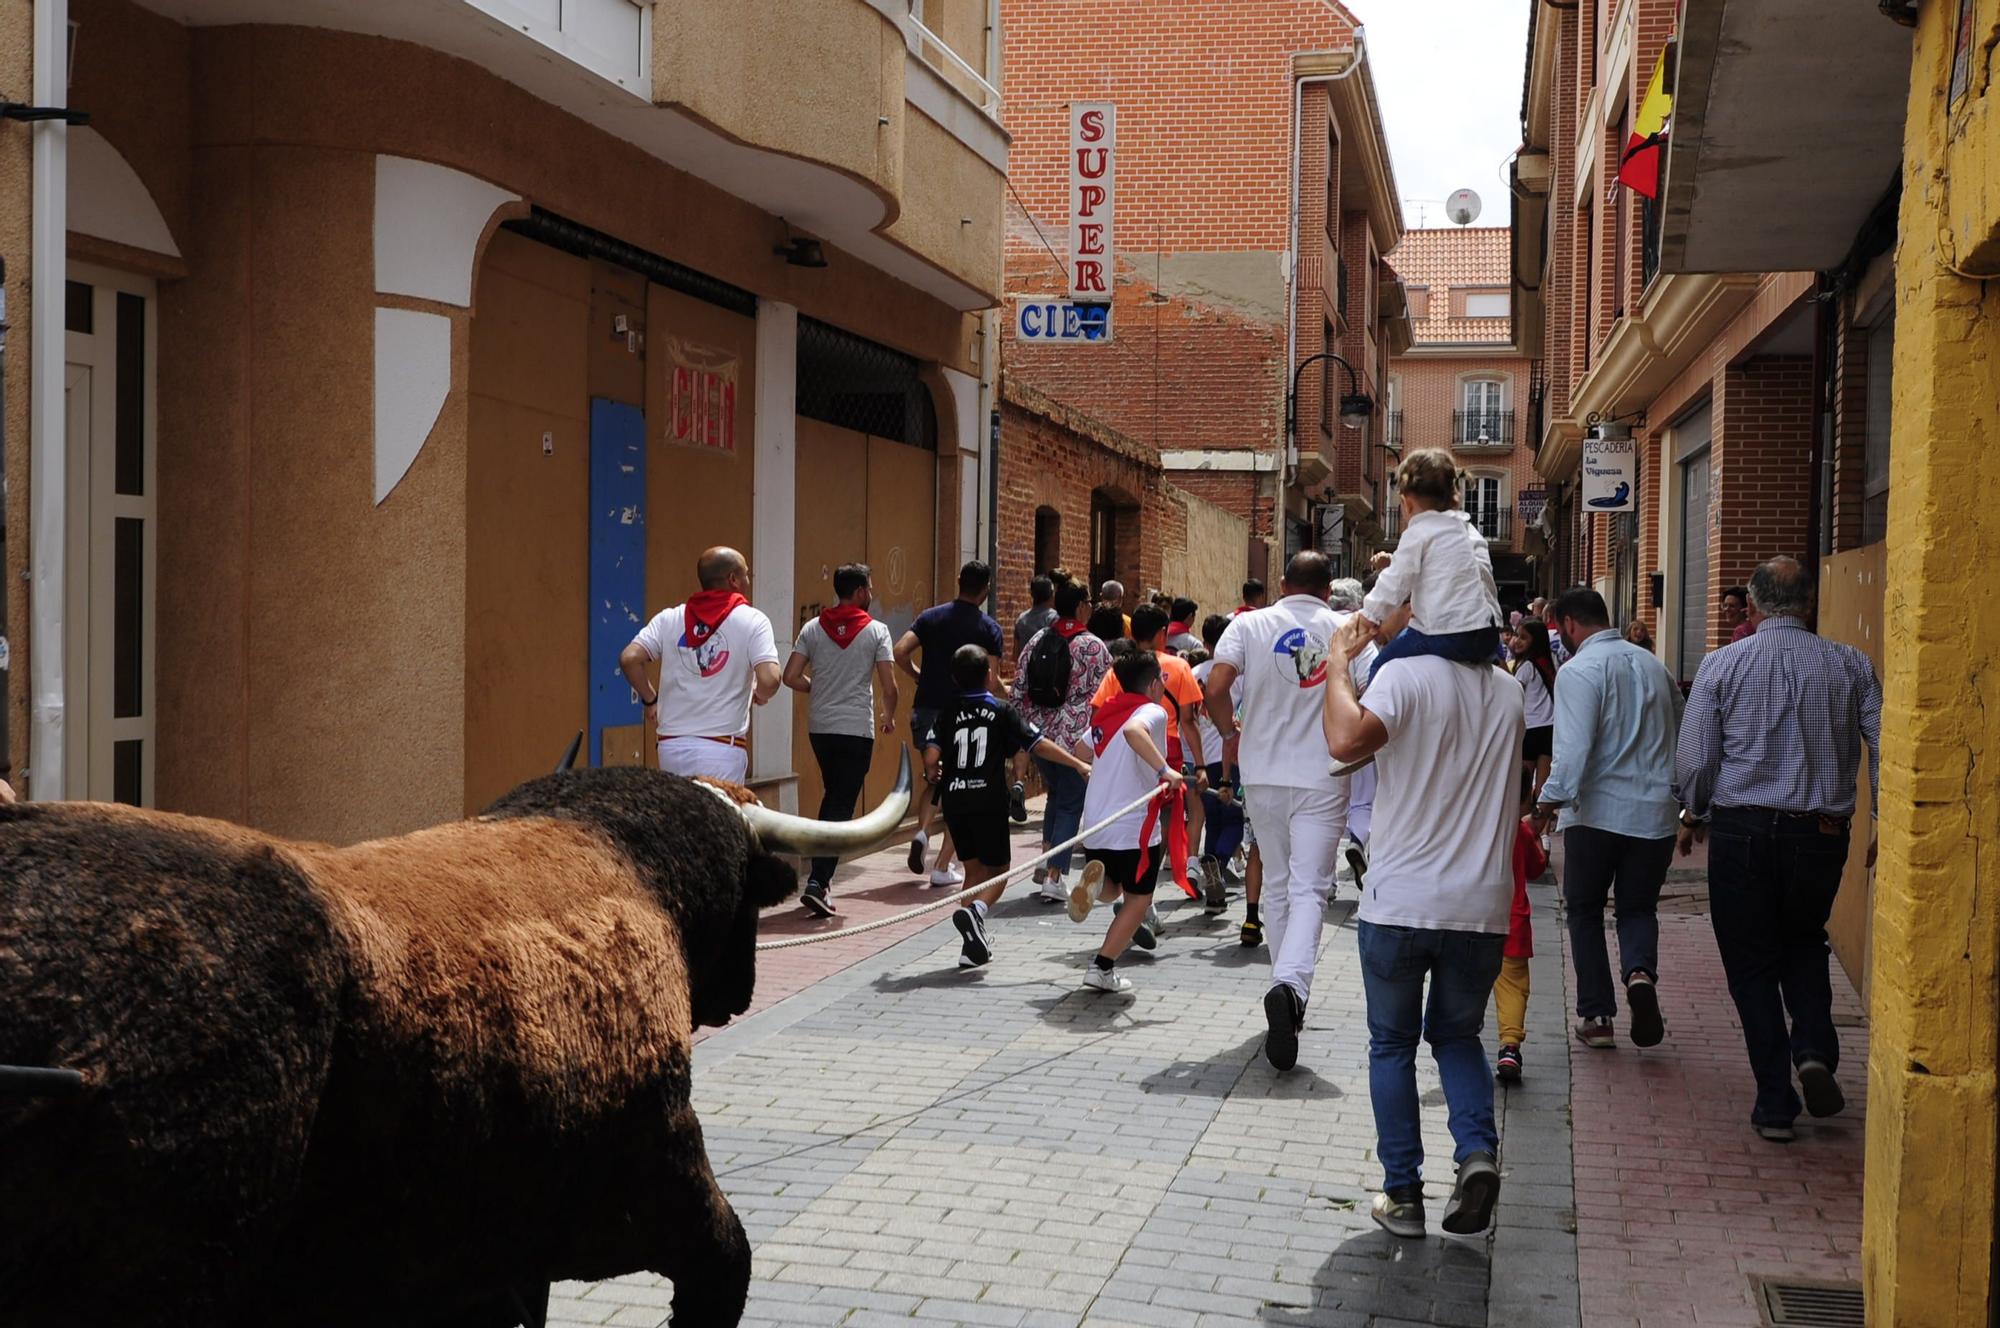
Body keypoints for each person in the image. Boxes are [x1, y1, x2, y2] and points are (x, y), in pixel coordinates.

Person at [1320, 606, 1524, 1241]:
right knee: (1459, 1037)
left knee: (1392, 1044)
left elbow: (1343, 743)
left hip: (1401, 899)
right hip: (1481, 903)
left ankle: (1403, 1193)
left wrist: (1338, 664)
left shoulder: (1404, 678)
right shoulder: (1511, 690)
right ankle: (1475, 1153)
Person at [1676, 557, 1882, 1143]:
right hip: (1819, 834)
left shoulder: (1721, 664)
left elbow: (1695, 760)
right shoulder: (1850, 664)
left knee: (1750, 964)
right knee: (1804, 939)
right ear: (1810, 604)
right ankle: (1813, 1048)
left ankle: (1774, 1099)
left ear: (1757, 605)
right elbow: (1885, 740)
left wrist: (1694, 811)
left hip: (1741, 830)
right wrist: (1884, 818)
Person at [1207, 551, 1372, 1072]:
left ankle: (1286, 987)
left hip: (1262, 772)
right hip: (1322, 773)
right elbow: (1366, 692)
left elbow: (1214, 688)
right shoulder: (1346, 627)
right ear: (1328, 589)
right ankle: (1289, 986)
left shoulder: (1250, 623)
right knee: (1310, 888)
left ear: (1282, 584)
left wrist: (1232, 731)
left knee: (1276, 883)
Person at [1532, 586, 1683, 1053]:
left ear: (1570, 625)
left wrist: (1545, 807)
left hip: (1596, 814)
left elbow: (1572, 751)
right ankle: (1639, 973)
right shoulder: (1656, 667)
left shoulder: (1579, 670)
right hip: (1653, 816)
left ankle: (1597, 1015)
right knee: (1638, 908)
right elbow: (1682, 732)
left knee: (1584, 910)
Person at [931, 647, 1093, 969]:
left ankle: (971, 944)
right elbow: (1038, 743)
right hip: (987, 800)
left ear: (954, 678)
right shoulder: (1000, 710)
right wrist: (1077, 764)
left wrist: (934, 769)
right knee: (1000, 870)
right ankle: (976, 913)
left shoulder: (947, 711)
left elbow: (930, 758)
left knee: (974, 871)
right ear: (990, 676)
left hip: (955, 799)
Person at [782, 562, 898, 917]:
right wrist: (889, 716)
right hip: (854, 730)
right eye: (871, 588)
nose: (872, 594)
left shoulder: (813, 628)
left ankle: (821, 880)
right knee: (840, 806)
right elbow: (889, 685)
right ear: (861, 591)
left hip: (821, 729)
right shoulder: (877, 631)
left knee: (834, 797)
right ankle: (818, 882)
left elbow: (790, 676)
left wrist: (818, 688)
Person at [1070, 649, 1186, 993]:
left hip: (1096, 821)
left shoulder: (1107, 713)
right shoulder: (1151, 710)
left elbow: (1081, 751)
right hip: (1133, 825)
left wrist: (1101, 777)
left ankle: (1096, 887)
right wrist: (1163, 769)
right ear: (1154, 685)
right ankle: (1102, 966)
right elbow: (1135, 732)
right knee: (1138, 899)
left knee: (1113, 887)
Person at [621, 545, 780, 784]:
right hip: (722, 749)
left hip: (671, 747)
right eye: (746, 574)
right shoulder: (753, 621)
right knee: (719, 820)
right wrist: (759, 693)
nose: (748, 580)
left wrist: (650, 699)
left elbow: (629, 658)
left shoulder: (670, 618)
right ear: (733, 580)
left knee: (678, 819)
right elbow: (770, 679)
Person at [896, 561, 1006, 886]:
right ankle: (943, 866)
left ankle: (921, 832)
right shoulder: (989, 628)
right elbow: (991, 681)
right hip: (966, 715)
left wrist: (920, 677)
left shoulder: (931, 617)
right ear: (986, 589)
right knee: (964, 787)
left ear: (958, 581)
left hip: (928, 708)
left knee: (935, 779)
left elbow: (900, 651)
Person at [1358, 449, 1506, 681]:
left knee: (1380, 667)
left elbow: (1394, 582)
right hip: (1486, 633)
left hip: (1447, 633)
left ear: (1407, 503)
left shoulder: (1419, 532)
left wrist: (1368, 616)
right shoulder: (1469, 532)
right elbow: (1484, 580)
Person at [1093, 605, 1208, 892]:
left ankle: (1114, 880)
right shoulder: (1178, 666)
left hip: (1120, 743)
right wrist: (1201, 764)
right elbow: (1188, 721)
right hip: (1164, 745)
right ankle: (1145, 890)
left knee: (1130, 809)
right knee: (1162, 817)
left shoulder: (1121, 667)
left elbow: (1099, 711)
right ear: (1161, 634)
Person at [1014, 580, 1113, 904]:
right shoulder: (1094, 647)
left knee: (1057, 796)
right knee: (1071, 803)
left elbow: (1018, 688)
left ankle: (1046, 860)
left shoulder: (1039, 639)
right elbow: (1107, 698)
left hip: (1039, 738)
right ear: (1083, 606)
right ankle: (1055, 877)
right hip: (1075, 741)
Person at [1495, 771, 1551, 1083]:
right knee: (1513, 987)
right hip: (1513, 923)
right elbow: (1536, 868)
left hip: (1476, 919)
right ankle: (1510, 1047)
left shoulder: (1477, 826)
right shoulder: (1520, 831)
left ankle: (1459, 1035)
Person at [1192, 614, 1245, 916]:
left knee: (1214, 821)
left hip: (1201, 759)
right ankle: (1219, 862)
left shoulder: (1195, 672)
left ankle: (1214, 893)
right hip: (1233, 757)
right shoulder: (1237, 674)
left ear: (1206, 641)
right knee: (1236, 822)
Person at [1330, 577, 1378, 890]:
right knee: (1362, 798)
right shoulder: (1363, 640)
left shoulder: (1316, 630)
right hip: (1354, 731)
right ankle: (1359, 839)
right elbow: (1369, 689)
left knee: (1326, 807)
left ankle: (1327, 882)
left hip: (1317, 733)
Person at [1511, 617, 1558, 805]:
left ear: (1535, 641)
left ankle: (1524, 826)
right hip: (1549, 728)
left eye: (1524, 637)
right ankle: (1542, 830)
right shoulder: (1548, 663)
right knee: (1543, 784)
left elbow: (1515, 695)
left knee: (1524, 783)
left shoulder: (1526, 667)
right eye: (1516, 636)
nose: (1517, 641)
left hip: (1530, 727)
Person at [1014, 575, 1058, 659]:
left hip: (1024, 670)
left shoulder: (1021, 619)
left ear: (1031, 593)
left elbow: (1015, 655)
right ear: (1052, 594)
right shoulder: (1053, 618)